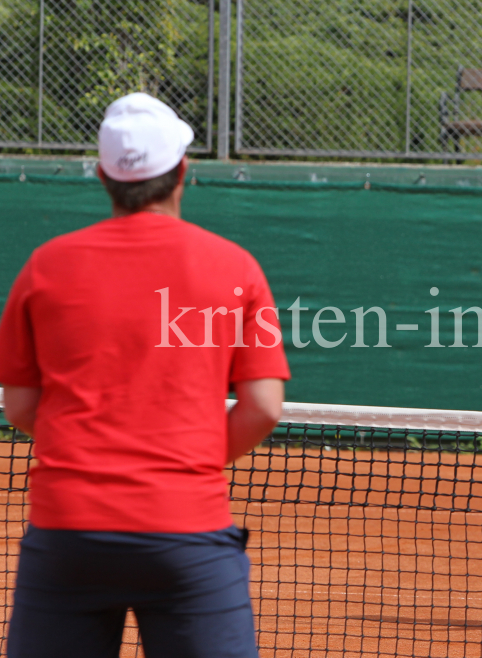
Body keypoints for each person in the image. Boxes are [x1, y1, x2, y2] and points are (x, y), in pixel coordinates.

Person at [0, 92, 290, 658]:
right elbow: (263, 407)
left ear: (106, 178)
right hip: (188, 531)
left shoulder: (45, 266)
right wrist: (184, 459)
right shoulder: (236, 268)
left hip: (68, 534)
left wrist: (93, 450)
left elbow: (19, 404)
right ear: (183, 172)